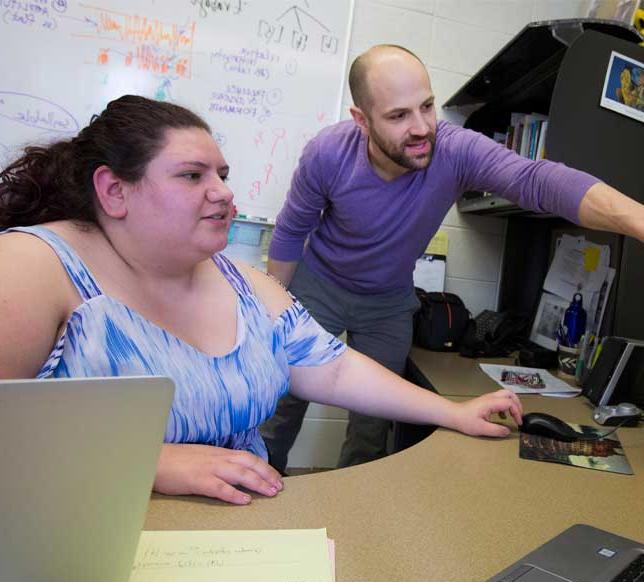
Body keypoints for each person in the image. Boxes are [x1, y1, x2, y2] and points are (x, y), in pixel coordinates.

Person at [0, 95, 524, 505]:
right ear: (114, 191)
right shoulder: (33, 266)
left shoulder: (242, 282)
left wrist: (452, 412)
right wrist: (146, 462)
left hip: (237, 537)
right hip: (96, 539)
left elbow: (335, 370)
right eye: (192, 175)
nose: (224, 193)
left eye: (222, 176)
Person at [263, 44, 644, 471]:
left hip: (389, 300)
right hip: (318, 289)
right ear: (361, 119)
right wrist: (272, 314)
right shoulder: (327, 153)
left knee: (373, 425)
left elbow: (539, 180)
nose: (421, 128)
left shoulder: (453, 149)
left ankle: (353, 529)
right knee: (281, 405)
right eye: (398, 116)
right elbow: (289, 234)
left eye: (428, 106)